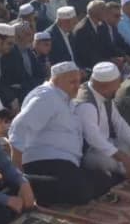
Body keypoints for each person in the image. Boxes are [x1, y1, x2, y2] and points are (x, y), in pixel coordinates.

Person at [8, 62, 114, 206]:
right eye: (72, 82)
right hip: (44, 161)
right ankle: (26, 183)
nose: (77, 86)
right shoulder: (46, 96)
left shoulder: (66, 99)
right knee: (81, 192)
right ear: (57, 81)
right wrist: (18, 176)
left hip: (65, 162)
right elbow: (19, 127)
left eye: (78, 81)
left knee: (103, 180)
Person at [75, 62, 130, 180]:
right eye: (117, 84)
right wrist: (123, 158)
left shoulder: (104, 93)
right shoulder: (86, 104)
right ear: (105, 86)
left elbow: (119, 123)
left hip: (107, 143)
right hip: (88, 151)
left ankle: (126, 171)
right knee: (113, 163)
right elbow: (93, 138)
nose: (119, 87)